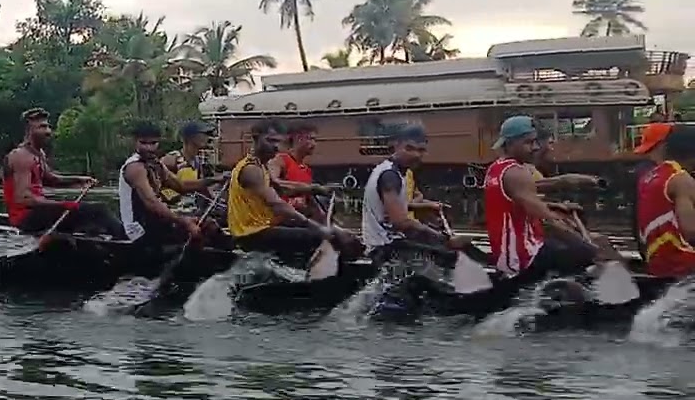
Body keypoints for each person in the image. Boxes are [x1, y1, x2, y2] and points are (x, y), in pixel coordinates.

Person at [484, 115, 619, 283]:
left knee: (586, 247)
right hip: (524, 255)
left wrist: (557, 205)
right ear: (510, 143)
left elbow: (519, 201)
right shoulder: (516, 173)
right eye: (528, 142)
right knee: (590, 253)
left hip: (511, 253)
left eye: (535, 142)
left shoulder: (496, 169)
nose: (535, 147)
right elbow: (544, 216)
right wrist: (583, 243)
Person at [227, 119, 338, 267]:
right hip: (251, 234)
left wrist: (316, 189)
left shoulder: (261, 166)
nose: (276, 147)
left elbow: (282, 188)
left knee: (309, 231)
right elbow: (277, 204)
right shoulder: (251, 169)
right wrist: (315, 227)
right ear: (255, 138)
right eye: (271, 141)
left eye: (279, 142)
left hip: (261, 229)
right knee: (317, 237)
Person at [2, 108, 123, 237]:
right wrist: (63, 204)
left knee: (91, 221)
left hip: (39, 212)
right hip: (25, 218)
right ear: (29, 130)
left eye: (48, 126)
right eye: (42, 127)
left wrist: (79, 180)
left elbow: (51, 179)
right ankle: (127, 242)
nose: (48, 131)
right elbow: (23, 199)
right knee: (99, 210)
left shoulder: (39, 154)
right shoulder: (20, 156)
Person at [362, 124, 467, 261]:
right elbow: (401, 223)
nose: (415, 155)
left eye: (421, 150)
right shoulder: (390, 176)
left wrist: (428, 207)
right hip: (384, 247)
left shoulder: (396, 171)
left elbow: (395, 207)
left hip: (389, 242)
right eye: (409, 148)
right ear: (396, 146)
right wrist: (442, 238)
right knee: (450, 257)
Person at [119, 121, 225, 246]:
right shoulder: (135, 167)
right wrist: (184, 221)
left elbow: (181, 186)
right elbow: (152, 203)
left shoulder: (156, 163)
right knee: (197, 233)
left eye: (153, 143)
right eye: (143, 143)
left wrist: (216, 179)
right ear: (135, 142)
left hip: (156, 222)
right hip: (139, 229)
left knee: (209, 225)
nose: (148, 148)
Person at [635, 123, 695, 280]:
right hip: (683, 264)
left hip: (658, 265)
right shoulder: (681, 179)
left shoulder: (646, 179)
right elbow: (691, 231)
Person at [160, 120, 216, 212]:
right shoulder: (172, 159)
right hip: (173, 212)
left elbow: (200, 187)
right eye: (204, 133)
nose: (208, 137)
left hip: (192, 210)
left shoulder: (198, 161)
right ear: (191, 137)